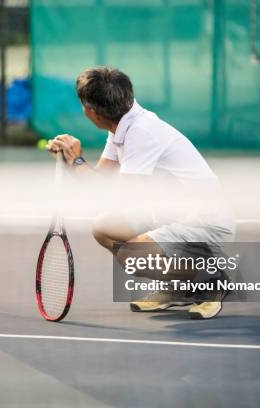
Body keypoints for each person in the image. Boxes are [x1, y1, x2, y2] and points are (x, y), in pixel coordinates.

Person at [47, 67, 235, 319]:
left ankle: (209, 279)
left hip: (206, 226)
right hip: (172, 216)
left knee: (131, 256)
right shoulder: (122, 124)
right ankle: (180, 288)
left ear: (91, 112)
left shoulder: (142, 132)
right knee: (104, 227)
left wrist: (77, 162)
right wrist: (70, 162)